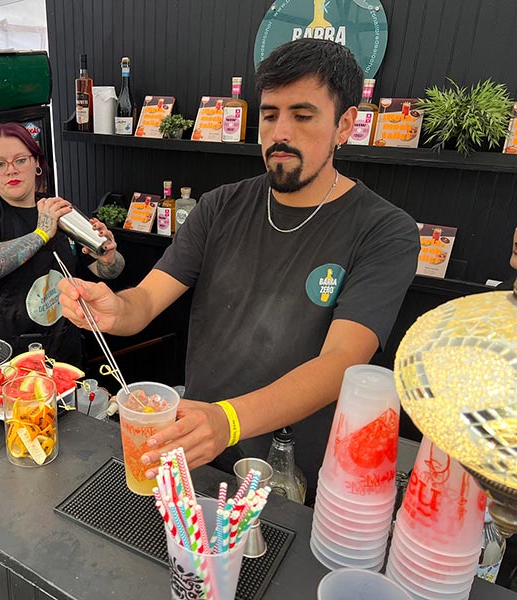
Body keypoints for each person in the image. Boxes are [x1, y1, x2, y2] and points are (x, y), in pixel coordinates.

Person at [58, 39, 420, 502]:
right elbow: (144, 301)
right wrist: (114, 308)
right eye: (269, 115)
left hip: (291, 475)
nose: (280, 133)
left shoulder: (384, 230)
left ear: (344, 125)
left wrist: (229, 420)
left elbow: (341, 361)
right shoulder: (220, 206)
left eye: (302, 116)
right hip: (195, 451)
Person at [0, 123, 124, 364]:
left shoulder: (56, 209)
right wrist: (41, 233)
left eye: (20, 160)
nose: (11, 170)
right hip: (2, 359)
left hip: (61, 350)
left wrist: (107, 257)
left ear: (37, 164)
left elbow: (110, 270)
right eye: (0, 164)